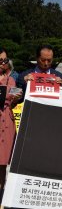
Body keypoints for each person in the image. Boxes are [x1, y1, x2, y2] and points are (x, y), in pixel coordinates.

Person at [0, 48, 21, 195]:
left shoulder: (11, 79)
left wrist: (17, 98)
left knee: (2, 160)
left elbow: (13, 103)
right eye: (0, 60)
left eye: (5, 60)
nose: (2, 63)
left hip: (5, 119)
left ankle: (1, 191)